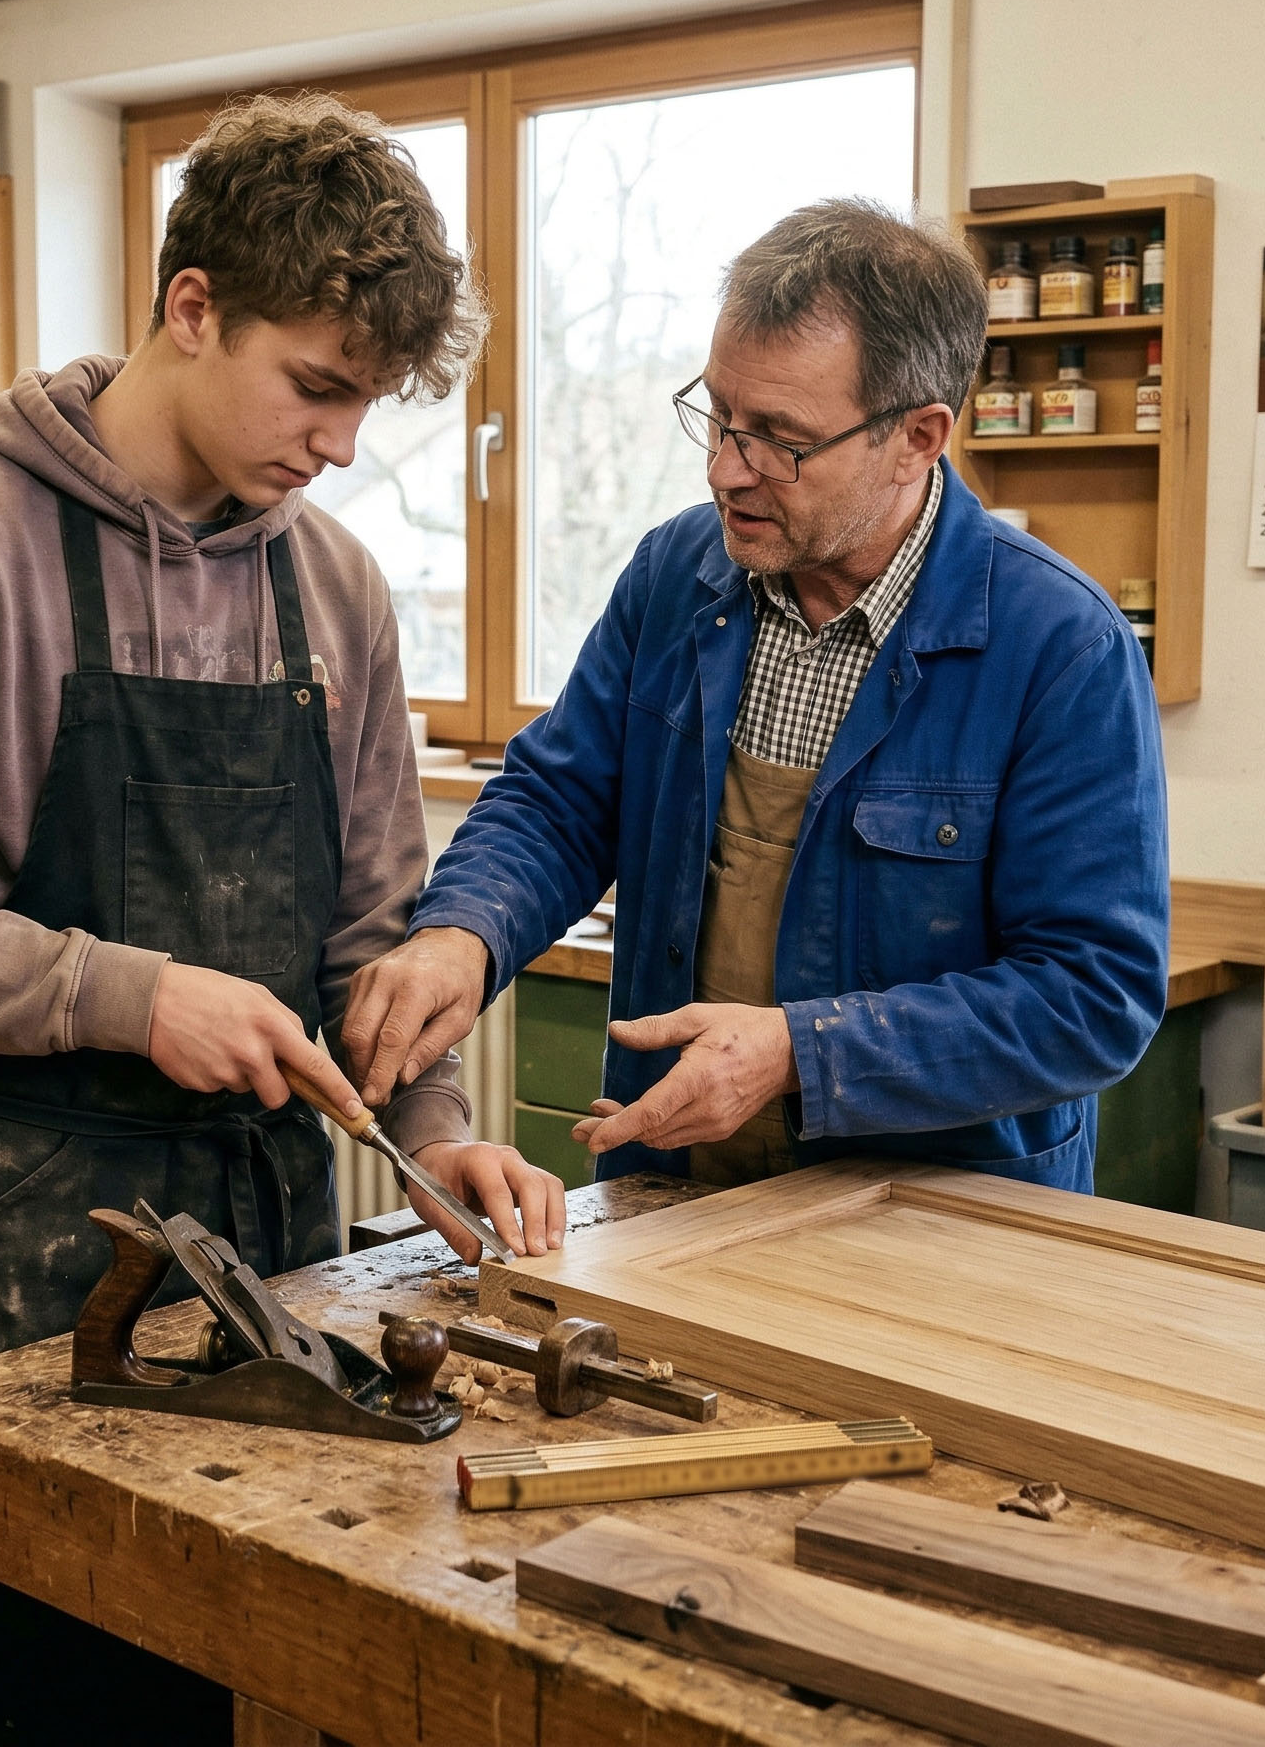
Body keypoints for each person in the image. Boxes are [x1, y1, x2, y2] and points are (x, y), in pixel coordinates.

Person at [0, 94, 563, 1745]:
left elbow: (368, 927)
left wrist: (434, 1122)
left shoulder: (335, 586)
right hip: (12, 1242)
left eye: (371, 402)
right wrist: (135, 995)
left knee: (250, 1678)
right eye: (319, 385)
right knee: (25, 1691)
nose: (342, 441)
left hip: (274, 1243)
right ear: (192, 305)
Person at [343, 200, 1168, 1194]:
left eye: (780, 438)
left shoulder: (1062, 647)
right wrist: (461, 933)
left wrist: (799, 1052)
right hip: (676, 1184)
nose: (726, 468)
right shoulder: (676, 577)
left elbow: (1093, 996)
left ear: (918, 436)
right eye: (721, 414)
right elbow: (560, 802)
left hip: (932, 1224)